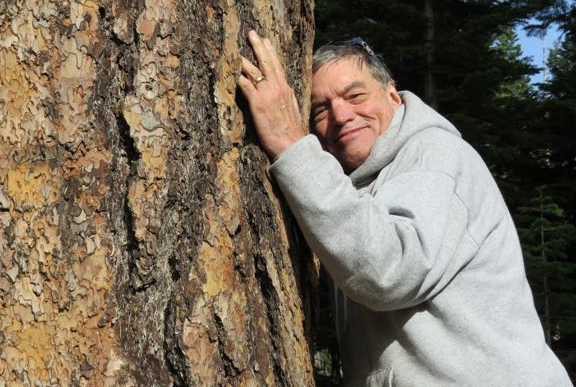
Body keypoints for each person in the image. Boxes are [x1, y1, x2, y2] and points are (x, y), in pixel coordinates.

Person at [237, 30, 573, 387]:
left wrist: (292, 145)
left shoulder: (433, 154)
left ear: (393, 95)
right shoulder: (364, 186)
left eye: (355, 95)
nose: (340, 115)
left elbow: (388, 269)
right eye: (320, 109)